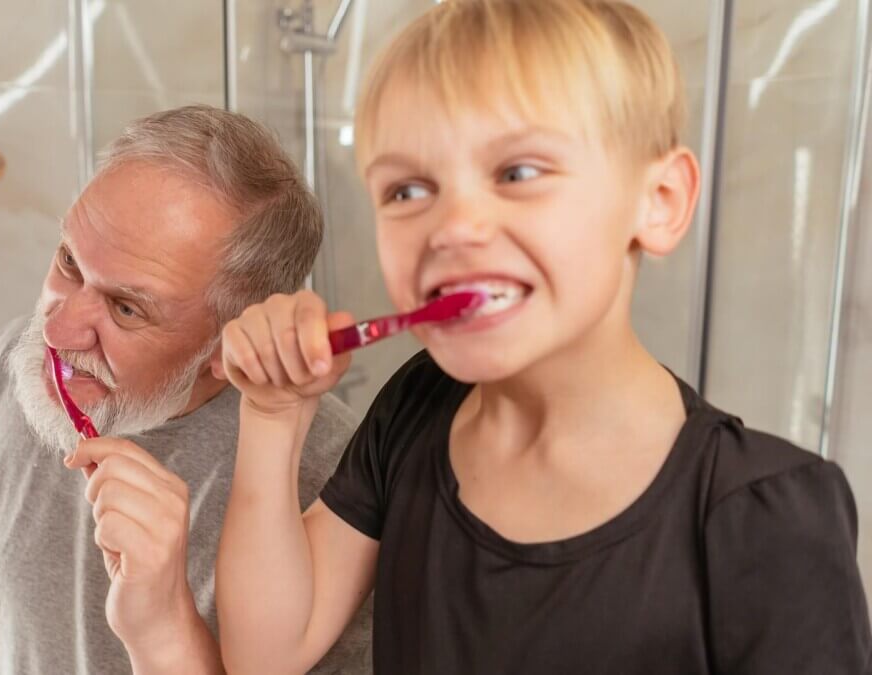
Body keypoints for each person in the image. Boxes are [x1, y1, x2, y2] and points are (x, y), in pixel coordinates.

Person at [214, 1, 872, 673]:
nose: (454, 225)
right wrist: (271, 416)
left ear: (661, 201)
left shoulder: (764, 515)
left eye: (518, 173)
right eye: (408, 189)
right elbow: (265, 654)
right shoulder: (415, 407)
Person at [0, 105, 371, 674]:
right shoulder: (14, 361)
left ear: (224, 351)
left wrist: (165, 620)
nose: (56, 332)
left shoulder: (337, 487)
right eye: (68, 263)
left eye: (126, 308)